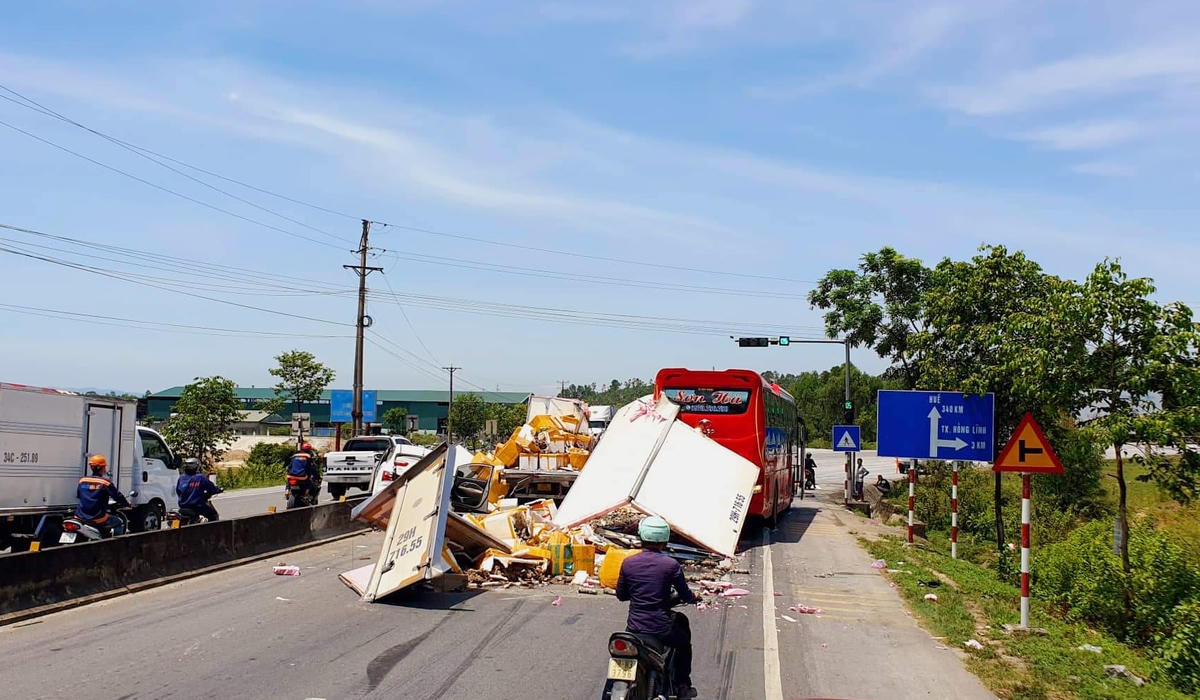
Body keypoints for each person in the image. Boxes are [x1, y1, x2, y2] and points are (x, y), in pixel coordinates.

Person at [615, 516, 698, 699]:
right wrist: (693, 598)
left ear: (641, 537)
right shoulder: (671, 565)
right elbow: (685, 595)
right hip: (661, 629)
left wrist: (637, 594)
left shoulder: (628, 563)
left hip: (634, 629)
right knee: (684, 643)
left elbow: (621, 595)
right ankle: (683, 685)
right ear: (665, 539)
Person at [76, 454, 130, 536]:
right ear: (102, 468)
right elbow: (118, 496)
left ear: (91, 467)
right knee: (118, 522)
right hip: (97, 518)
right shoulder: (105, 482)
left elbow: (79, 496)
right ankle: (117, 546)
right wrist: (127, 504)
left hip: (79, 516)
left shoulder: (82, 480)